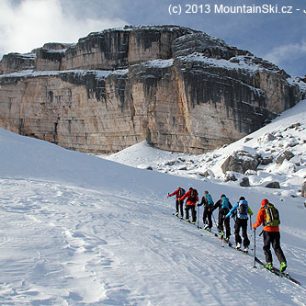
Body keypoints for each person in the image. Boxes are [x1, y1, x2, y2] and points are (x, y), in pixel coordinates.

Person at [252, 198, 287, 272]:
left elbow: (258, 221)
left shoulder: (262, 209)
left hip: (267, 231)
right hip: (276, 231)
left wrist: (254, 226)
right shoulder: (274, 208)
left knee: (266, 247)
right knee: (276, 247)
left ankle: (269, 263)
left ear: (262, 204)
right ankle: (283, 262)